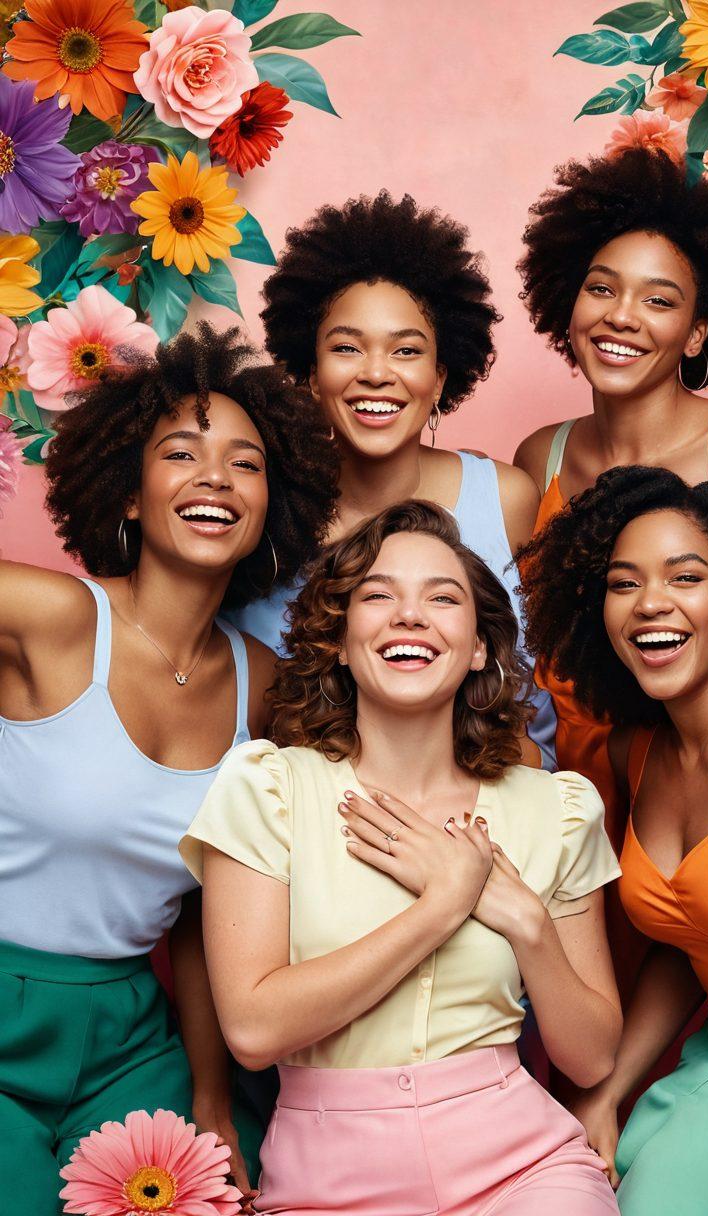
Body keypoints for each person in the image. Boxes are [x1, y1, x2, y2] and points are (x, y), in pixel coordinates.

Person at [182, 500, 622, 1215]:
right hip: (328, 1183)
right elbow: (254, 1031)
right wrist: (444, 904)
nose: (410, 616)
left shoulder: (556, 809)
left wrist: (527, 923)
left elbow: (592, 1055)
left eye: (442, 598)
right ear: (340, 640)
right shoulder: (269, 789)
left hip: (523, 1167)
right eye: (378, 596)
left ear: (478, 647)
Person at [0, 324, 338, 1209]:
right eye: (180, 453)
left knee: (226, 1190)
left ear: (273, 506)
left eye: (245, 463)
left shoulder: (262, 691)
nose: (215, 478)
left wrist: (211, 1097)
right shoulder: (48, 617)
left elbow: (202, 909)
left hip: (125, 1034)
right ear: (129, 495)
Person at [521, 465, 708, 1215]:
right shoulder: (640, 753)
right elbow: (689, 942)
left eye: (685, 577)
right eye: (623, 584)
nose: (650, 603)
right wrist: (607, 1092)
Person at [514, 146, 708, 824]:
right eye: (601, 288)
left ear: (697, 333)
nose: (621, 316)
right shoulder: (541, 456)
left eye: (659, 300)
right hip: (579, 793)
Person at [229, 191, 554, 768]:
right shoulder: (262, 509)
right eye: (347, 348)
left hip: (503, 806)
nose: (376, 373)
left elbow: (539, 695)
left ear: (439, 378)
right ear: (310, 373)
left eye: (406, 351)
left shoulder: (506, 497)